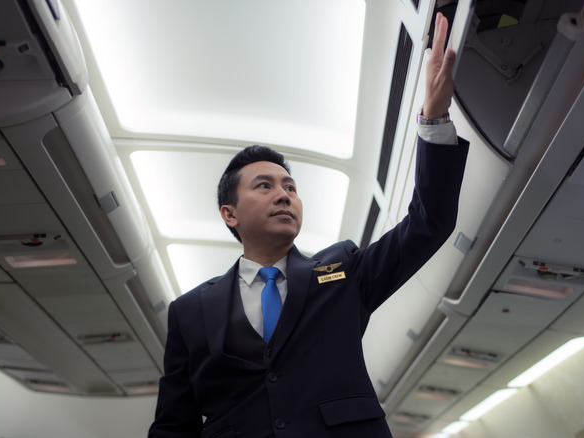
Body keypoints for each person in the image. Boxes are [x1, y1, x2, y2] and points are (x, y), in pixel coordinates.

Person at [149, 13, 468, 438]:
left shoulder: (343, 272)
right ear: (230, 214)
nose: (284, 195)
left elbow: (431, 221)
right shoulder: (188, 311)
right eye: (264, 186)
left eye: (290, 187)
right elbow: (174, 425)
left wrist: (434, 118)